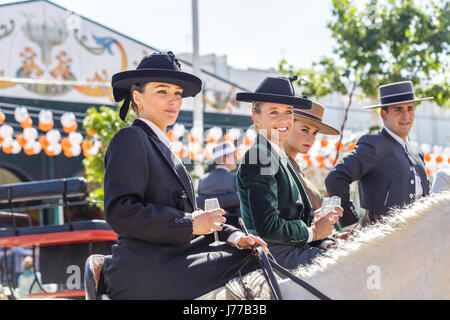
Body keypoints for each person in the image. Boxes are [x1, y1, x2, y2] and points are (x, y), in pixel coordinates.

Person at [104, 51, 268, 300]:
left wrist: (234, 236)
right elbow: (120, 211)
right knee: (255, 263)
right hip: (146, 268)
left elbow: (192, 215)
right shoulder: (130, 138)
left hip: (176, 261)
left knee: (256, 253)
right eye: (162, 91)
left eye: (177, 93)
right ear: (138, 97)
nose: (173, 100)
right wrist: (190, 224)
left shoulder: (162, 146)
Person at [236, 76, 343, 270]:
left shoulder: (278, 155)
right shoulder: (259, 156)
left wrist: (326, 239)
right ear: (256, 118)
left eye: (288, 112)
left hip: (293, 250)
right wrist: (313, 233)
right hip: (273, 255)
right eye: (274, 112)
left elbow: (301, 219)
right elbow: (268, 227)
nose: (284, 119)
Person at [325, 81, 432, 227]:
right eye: (398, 109)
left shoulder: (416, 152)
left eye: (410, 108)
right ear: (383, 114)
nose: (406, 115)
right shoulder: (373, 144)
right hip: (382, 238)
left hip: (419, 235)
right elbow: (335, 177)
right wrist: (351, 223)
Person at [284, 99, 340, 211]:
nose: (311, 138)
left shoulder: (294, 167)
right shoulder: (277, 166)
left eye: (315, 133)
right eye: (305, 130)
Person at [197, 141, 241, 228]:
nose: (236, 159)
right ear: (224, 158)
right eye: (233, 155)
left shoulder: (202, 180)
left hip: (208, 227)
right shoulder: (235, 179)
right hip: (233, 228)